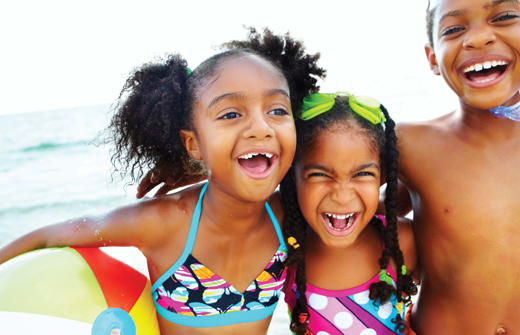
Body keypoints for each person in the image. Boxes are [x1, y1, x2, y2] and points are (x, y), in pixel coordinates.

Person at [0, 28, 325, 335]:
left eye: (277, 110)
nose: (261, 128)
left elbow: (349, 167)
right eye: (230, 114)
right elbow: (48, 237)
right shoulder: (163, 222)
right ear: (193, 145)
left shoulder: (291, 213)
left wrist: (215, 168)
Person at [396, 0, 520, 333]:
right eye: (454, 29)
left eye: (505, 16)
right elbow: (351, 210)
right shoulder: (410, 145)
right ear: (433, 58)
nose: (478, 39)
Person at [280, 93, 418, 335]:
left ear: (382, 176)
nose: (342, 196)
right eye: (320, 175)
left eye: (362, 174)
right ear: (291, 177)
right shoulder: (286, 252)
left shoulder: (402, 241)